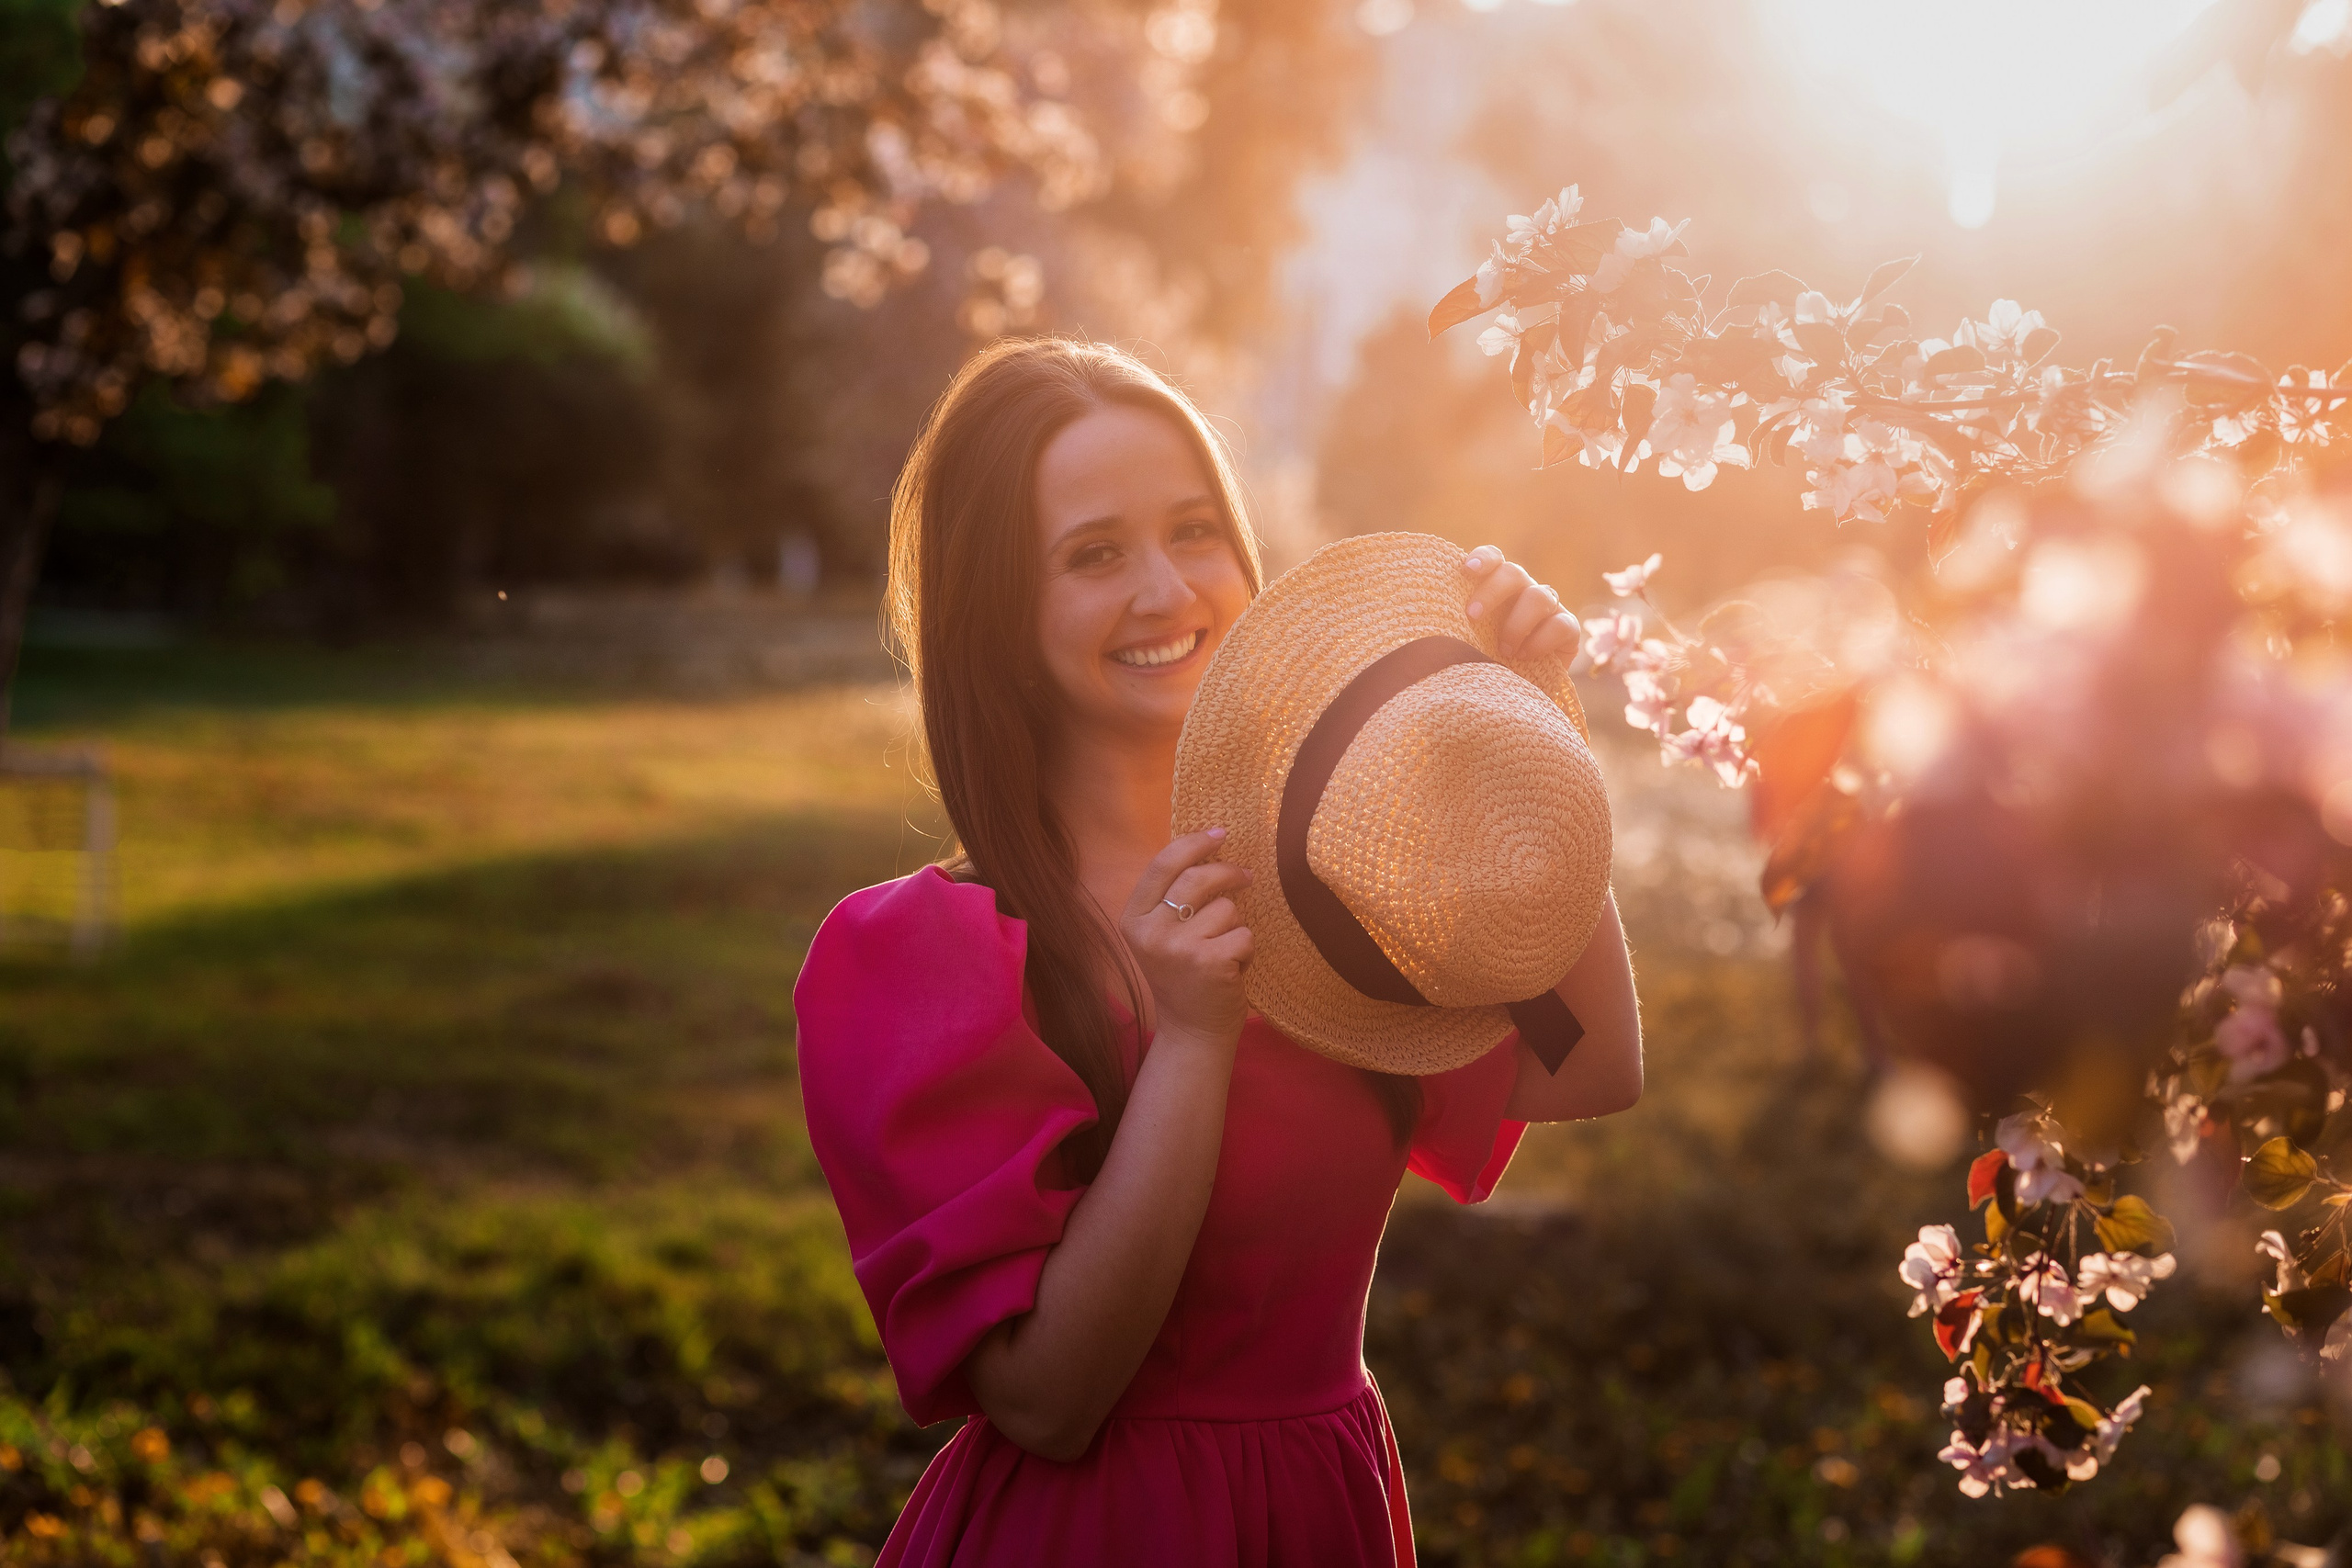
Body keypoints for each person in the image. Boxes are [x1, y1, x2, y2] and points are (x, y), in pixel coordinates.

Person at [793, 337, 1644, 1566]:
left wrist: (1530, 727)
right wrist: (1190, 1041)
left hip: (1322, 1514)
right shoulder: (922, 955)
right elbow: (1046, 1398)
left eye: (1196, 531)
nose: (1169, 590)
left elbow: (1589, 1066)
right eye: (1094, 554)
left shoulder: (1337, 883)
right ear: (996, 607)